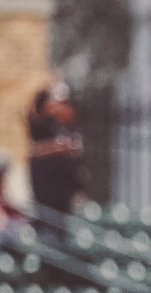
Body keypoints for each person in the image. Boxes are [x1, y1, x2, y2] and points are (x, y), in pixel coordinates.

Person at [26, 76, 87, 240]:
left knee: (63, 228)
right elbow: (35, 148)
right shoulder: (42, 125)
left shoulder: (70, 128)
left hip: (64, 189)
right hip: (46, 186)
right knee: (47, 224)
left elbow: (76, 158)